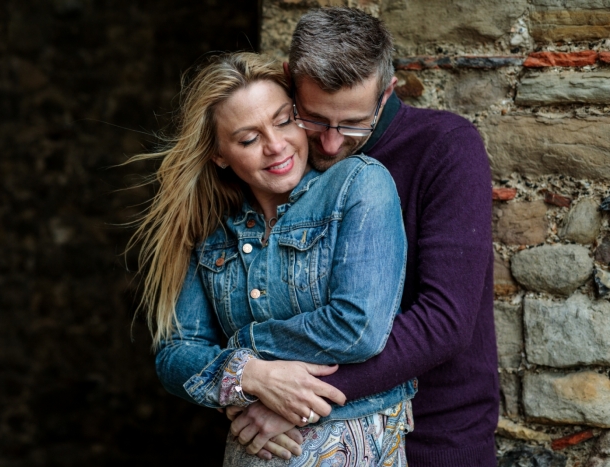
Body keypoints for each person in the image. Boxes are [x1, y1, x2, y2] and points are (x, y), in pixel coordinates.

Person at [230, 7, 499, 467]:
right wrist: (250, 377)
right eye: (314, 119)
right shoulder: (279, 163)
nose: (331, 144)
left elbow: (444, 320)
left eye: (354, 123)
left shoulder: (446, 148)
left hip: (432, 439)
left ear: (387, 91)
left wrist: (303, 400)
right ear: (291, 80)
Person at [126, 52, 417, 466]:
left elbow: (359, 328)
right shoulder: (210, 228)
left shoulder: (357, 184)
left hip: (355, 446)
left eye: (284, 121)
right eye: (248, 139)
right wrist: (251, 376)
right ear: (219, 154)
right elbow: (175, 356)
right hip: (254, 452)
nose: (275, 146)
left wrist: (244, 349)